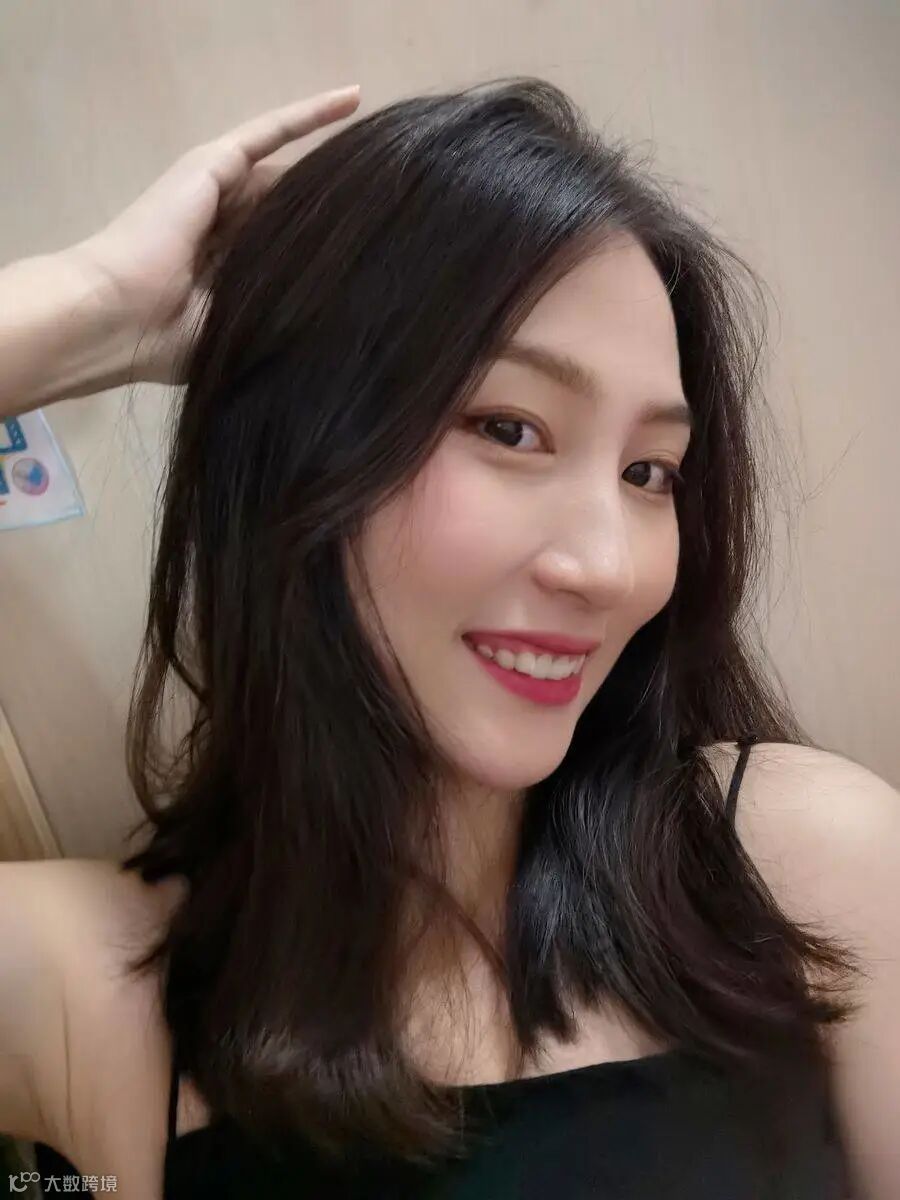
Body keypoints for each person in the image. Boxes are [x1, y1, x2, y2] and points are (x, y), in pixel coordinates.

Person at [0, 77, 897, 1200]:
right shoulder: (94, 987)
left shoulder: (797, 868)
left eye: (649, 472)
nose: (609, 566)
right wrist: (97, 310)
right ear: (299, 454)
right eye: (509, 428)